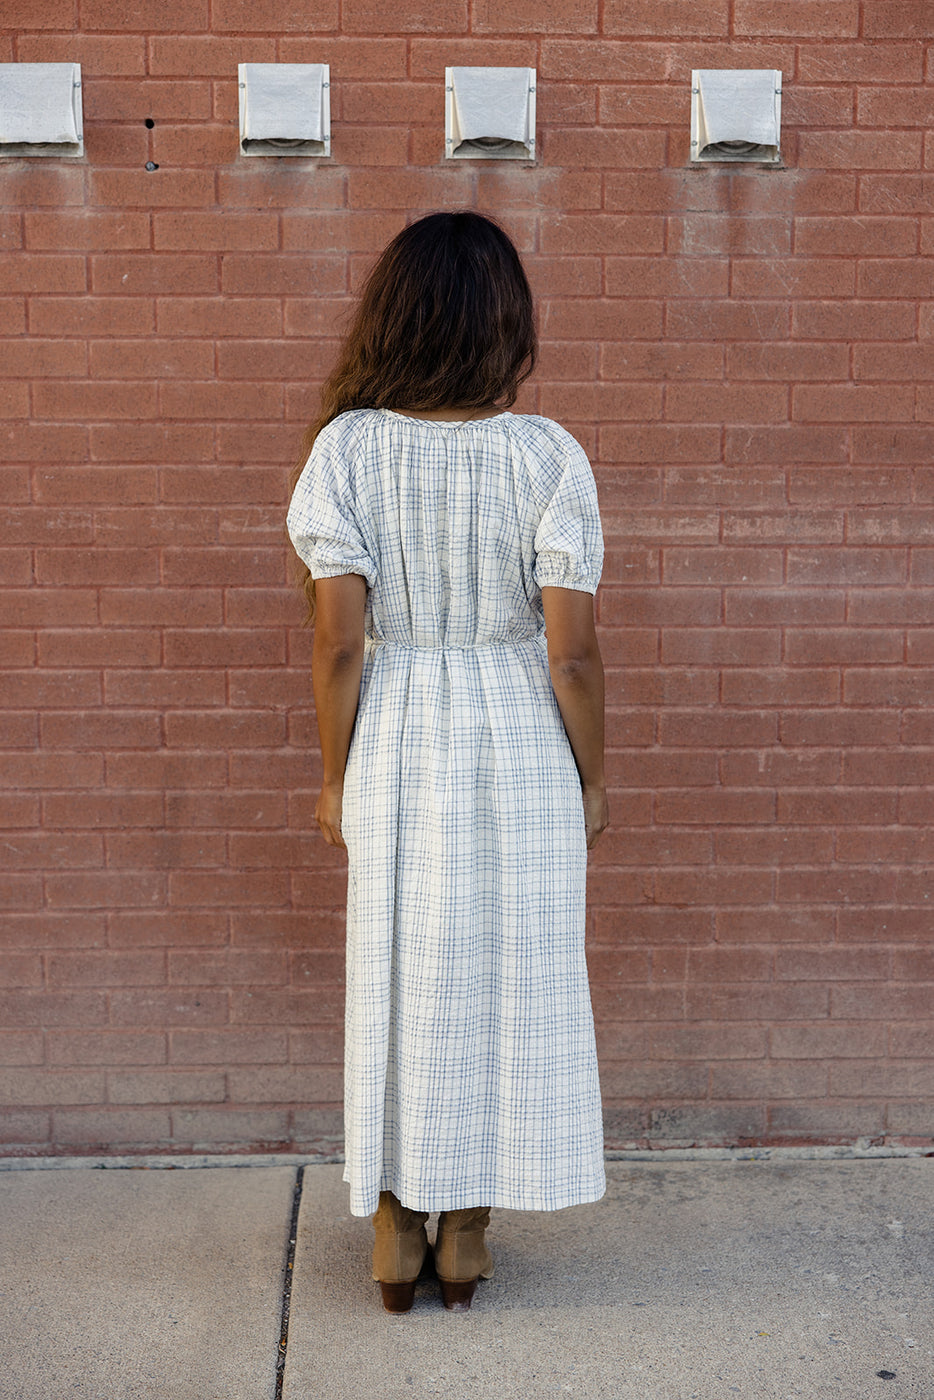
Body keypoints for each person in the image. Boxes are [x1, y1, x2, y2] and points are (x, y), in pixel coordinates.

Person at [287, 210, 608, 1314]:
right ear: (505, 325)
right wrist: (592, 778)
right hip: (519, 739)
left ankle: (393, 1224)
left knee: (397, 969)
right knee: (510, 974)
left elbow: (338, 641)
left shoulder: (347, 450)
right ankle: (467, 1228)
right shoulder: (547, 455)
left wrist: (336, 776)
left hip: (399, 735)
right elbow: (570, 653)